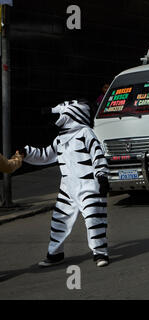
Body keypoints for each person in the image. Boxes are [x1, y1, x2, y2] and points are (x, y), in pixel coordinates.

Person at [19, 100, 110, 268]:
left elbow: (98, 155)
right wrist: (27, 152)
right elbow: (46, 155)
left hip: (87, 184)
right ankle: (55, 253)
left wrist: (102, 176)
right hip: (67, 186)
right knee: (59, 220)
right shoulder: (60, 138)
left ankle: (100, 252)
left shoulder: (85, 132)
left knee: (93, 219)